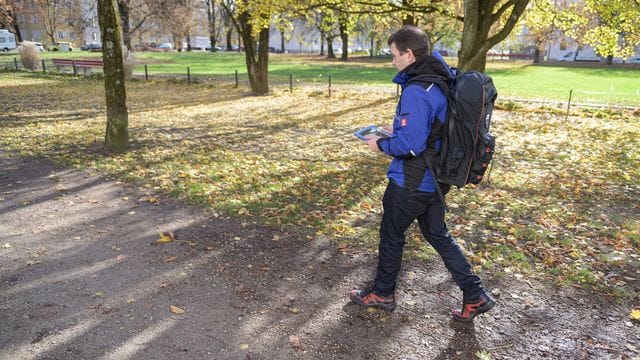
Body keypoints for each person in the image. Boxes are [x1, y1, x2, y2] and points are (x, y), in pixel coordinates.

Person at [349, 25, 495, 322]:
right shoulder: (440, 80)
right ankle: (475, 295)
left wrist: (381, 143)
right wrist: (396, 129)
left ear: (409, 54)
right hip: (436, 180)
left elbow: (410, 145)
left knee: (391, 235)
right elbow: (431, 131)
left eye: (394, 55)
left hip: (411, 181)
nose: (392, 61)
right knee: (439, 235)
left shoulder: (417, 89)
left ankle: (383, 293)